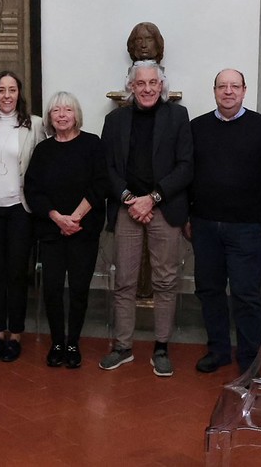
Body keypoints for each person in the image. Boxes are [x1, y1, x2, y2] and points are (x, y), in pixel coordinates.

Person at [99, 60, 193, 377]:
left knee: (165, 280)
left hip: (164, 208)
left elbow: (185, 166)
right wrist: (129, 198)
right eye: (141, 83)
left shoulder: (178, 116)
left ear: (162, 85)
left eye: (153, 83)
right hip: (127, 208)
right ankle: (123, 347)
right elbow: (106, 167)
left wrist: (152, 198)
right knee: (124, 280)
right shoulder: (114, 120)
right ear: (131, 87)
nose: (148, 88)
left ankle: (161, 347)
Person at [186, 68, 261, 374]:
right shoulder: (196, 127)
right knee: (210, 290)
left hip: (247, 227)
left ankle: (250, 358)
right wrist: (187, 215)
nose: (228, 91)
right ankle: (218, 350)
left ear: (244, 91)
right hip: (204, 225)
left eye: (234, 86)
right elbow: (186, 175)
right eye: (222, 86)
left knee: (246, 294)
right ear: (214, 91)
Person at [25, 91, 108, 368]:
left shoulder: (92, 144)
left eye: (67, 110)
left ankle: (73, 342)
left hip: (84, 230)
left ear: (76, 115)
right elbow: (33, 191)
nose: (62, 115)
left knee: (79, 289)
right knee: (51, 289)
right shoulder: (43, 150)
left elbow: (100, 185)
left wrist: (75, 218)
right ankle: (57, 341)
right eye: (56, 110)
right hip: (51, 231)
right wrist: (58, 219)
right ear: (50, 117)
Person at [0, 71, 45, 363]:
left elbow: (46, 160)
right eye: (1, 90)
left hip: (20, 208)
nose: (7, 95)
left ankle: (15, 334)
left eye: (12, 90)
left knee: (17, 273)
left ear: (19, 93)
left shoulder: (36, 124)